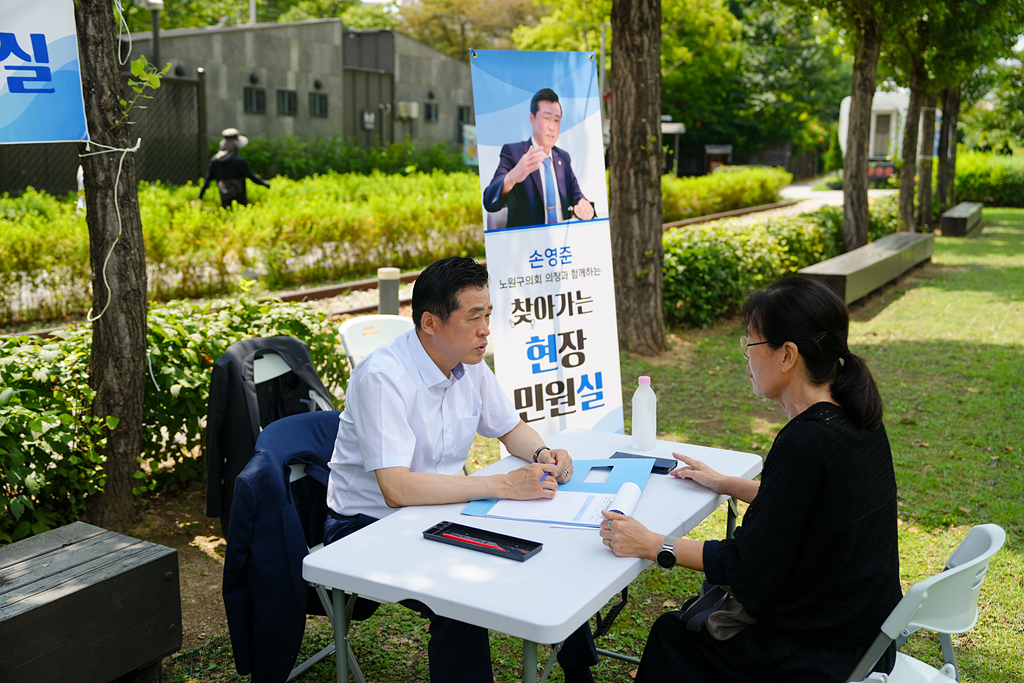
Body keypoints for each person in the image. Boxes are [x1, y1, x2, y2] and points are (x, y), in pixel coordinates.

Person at [599, 276, 902, 683]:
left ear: (787, 355)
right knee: (693, 619)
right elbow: (815, 508)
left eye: (751, 345)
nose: (746, 357)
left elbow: (747, 565)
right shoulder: (855, 414)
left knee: (673, 634)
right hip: (868, 638)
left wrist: (654, 545)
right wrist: (728, 483)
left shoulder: (806, 440)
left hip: (823, 653)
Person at [324, 256, 600, 683]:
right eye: (473, 317)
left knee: (552, 541)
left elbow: (510, 428)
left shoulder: (467, 363)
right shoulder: (383, 376)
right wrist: (502, 485)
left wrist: (544, 454)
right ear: (430, 323)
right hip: (367, 524)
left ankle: (579, 672)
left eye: (488, 314)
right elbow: (395, 489)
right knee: (459, 599)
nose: (486, 329)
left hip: (438, 510)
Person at [482, 88, 595, 228]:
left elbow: (576, 196)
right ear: (532, 118)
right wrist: (512, 176)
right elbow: (489, 202)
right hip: (528, 246)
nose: (552, 127)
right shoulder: (514, 153)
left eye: (556, 120)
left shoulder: (563, 158)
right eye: (546, 118)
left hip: (562, 246)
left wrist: (584, 206)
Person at [198, 128, 269, 207]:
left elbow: (208, 179)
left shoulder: (215, 160)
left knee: (227, 213)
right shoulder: (238, 161)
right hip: (240, 197)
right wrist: (265, 184)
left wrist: (200, 196)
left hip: (224, 196)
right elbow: (251, 175)